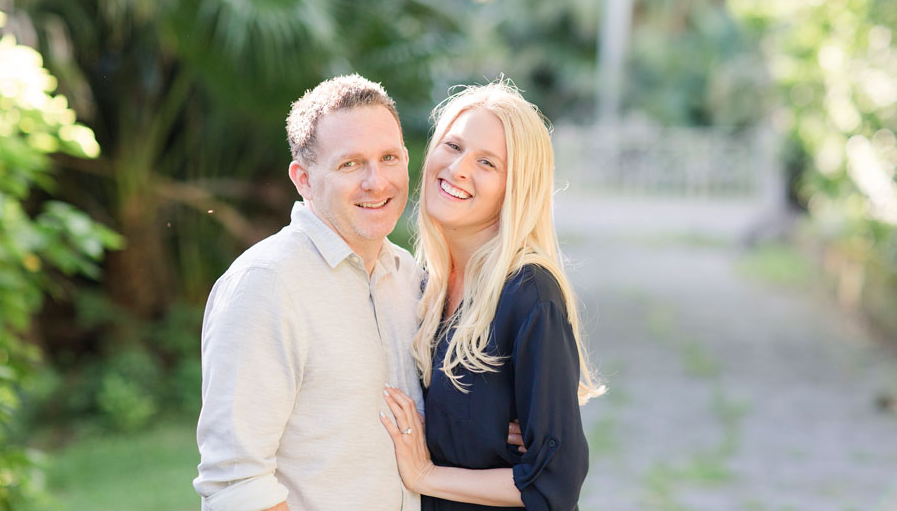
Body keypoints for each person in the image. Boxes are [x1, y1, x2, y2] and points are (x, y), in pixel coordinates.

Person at [194, 75, 426, 511]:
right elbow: (236, 485)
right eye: (350, 164)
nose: (377, 181)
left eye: (388, 157)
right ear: (303, 179)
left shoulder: (409, 277)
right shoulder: (266, 285)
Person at [379, 80, 605, 510]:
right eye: (453, 146)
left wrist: (426, 475)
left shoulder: (529, 293)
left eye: (487, 163)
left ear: (515, 188)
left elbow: (555, 481)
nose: (459, 168)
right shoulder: (422, 286)